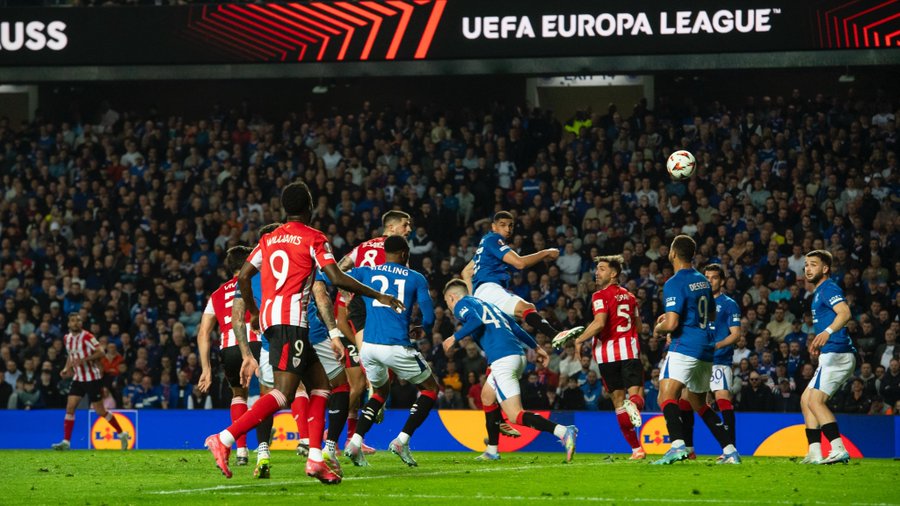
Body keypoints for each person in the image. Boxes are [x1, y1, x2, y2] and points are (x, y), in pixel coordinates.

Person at [204, 181, 403, 484]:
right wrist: (378, 295)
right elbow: (336, 277)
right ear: (309, 207)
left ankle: (315, 459)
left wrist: (255, 312)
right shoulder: (314, 237)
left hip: (276, 320)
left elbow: (243, 276)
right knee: (283, 393)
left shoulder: (268, 238)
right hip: (291, 322)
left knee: (323, 385)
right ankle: (225, 438)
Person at [441, 279, 578, 462]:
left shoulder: (461, 304)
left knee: (515, 414)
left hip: (502, 360)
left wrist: (454, 337)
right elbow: (516, 328)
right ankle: (492, 450)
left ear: (452, 297)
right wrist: (536, 347)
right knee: (487, 397)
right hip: (516, 356)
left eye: (447, 302)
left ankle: (563, 431)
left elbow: (475, 321)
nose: (450, 307)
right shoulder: (489, 305)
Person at [343, 236, 437, 467]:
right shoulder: (416, 277)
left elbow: (331, 275)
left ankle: (354, 442)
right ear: (405, 253)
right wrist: (421, 328)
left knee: (380, 392)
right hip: (395, 345)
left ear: (385, 253)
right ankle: (402, 440)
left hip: (368, 347)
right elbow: (430, 318)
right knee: (430, 389)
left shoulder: (366, 272)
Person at [651, 235, 739, 465]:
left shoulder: (674, 282)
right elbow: (711, 315)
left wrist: (658, 327)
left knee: (665, 395)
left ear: (673, 253)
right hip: (706, 349)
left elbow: (671, 324)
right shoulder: (702, 281)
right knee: (698, 402)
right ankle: (730, 450)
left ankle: (677, 446)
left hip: (685, 346)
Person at [335, 210, 412, 454]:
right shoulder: (396, 253)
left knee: (360, 383)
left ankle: (350, 437)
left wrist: (346, 294)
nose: (408, 230)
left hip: (357, 312)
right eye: (405, 225)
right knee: (361, 382)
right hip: (371, 314)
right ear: (392, 227)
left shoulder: (361, 248)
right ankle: (332, 434)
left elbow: (339, 268)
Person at [463, 211, 583, 344]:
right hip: (490, 289)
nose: (507, 229)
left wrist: (474, 299)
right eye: (502, 225)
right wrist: (545, 253)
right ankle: (555, 334)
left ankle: (554, 335)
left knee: (512, 326)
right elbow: (520, 263)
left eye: (510, 225)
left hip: (484, 294)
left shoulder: (484, 246)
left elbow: (466, 272)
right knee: (525, 308)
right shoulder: (493, 239)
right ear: (494, 227)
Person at [196, 245, 265, 470]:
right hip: (255, 341)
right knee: (270, 393)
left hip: (228, 348)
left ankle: (241, 451)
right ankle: (268, 447)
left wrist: (206, 369)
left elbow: (203, 333)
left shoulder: (217, 294)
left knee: (238, 395)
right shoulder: (256, 282)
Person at [570, 255, 645, 460]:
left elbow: (600, 322)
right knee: (636, 396)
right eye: (597, 269)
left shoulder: (599, 296)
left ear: (613, 273)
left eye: (602, 269)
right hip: (629, 351)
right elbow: (639, 327)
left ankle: (636, 449)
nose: (597, 272)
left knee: (618, 404)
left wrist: (579, 340)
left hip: (606, 355)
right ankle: (634, 405)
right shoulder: (630, 297)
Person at [679, 263, 742, 460]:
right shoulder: (698, 301)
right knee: (685, 400)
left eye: (714, 277)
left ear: (722, 281)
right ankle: (689, 449)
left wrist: (716, 345)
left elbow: (736, 335)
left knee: (722, 398)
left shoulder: (729, 304)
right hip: (699, 359)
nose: (709, 281)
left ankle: (730, 449)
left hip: (719, 360)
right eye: (706, 277)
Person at [800, 250, 856, 465]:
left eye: (813, 264)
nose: (808, 268)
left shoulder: (829, 288)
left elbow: (845, 313)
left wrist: (827, 332)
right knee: (806, 400)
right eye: (806, 264)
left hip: (839, 354)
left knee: (816, 401)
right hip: (830, 353)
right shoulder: (819, 291)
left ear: (825, 268)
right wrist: (819, 342)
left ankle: (838, 449)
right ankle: (815, 452)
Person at [52, 313, 129, 451]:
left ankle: (121, 433)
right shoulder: (66, 338)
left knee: (100, 411)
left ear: (81, 323)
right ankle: (66, 442)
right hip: (78, 378)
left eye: (78, 321)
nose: (75, 323)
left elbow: (101, 352)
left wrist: (85, 360)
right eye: (73, 321)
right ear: (69, 324)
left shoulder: (87, 336)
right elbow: (71, 355)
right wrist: (66, 368)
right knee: (70, 408)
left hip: (92, 378)